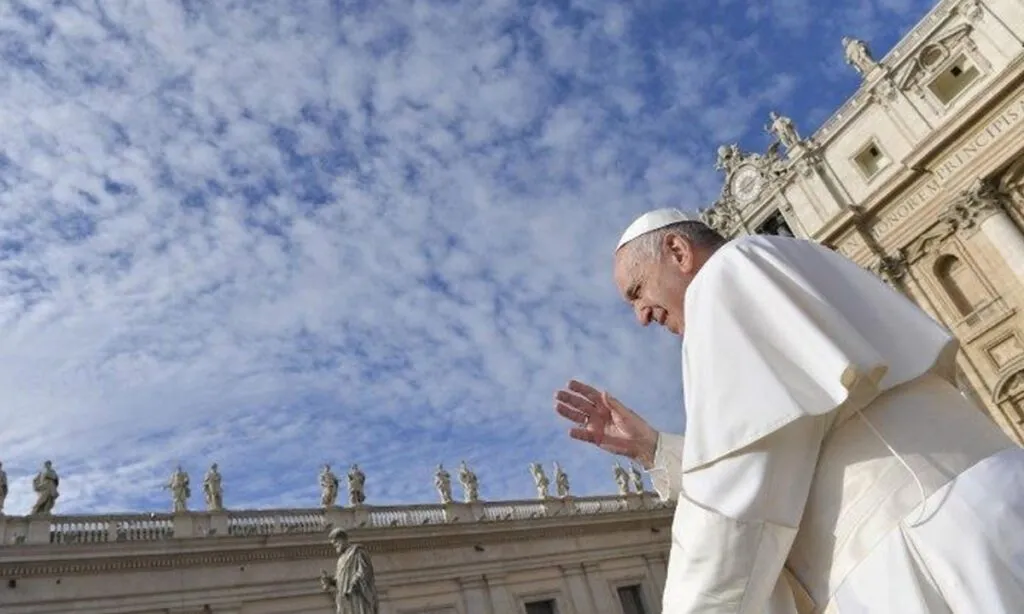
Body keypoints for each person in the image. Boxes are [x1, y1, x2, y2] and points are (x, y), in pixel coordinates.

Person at [554, 208, 1024, 613]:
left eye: (637, 291)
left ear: (678, 252)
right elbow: (797, 438)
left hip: (922, 544)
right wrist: (654, 449)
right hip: (964, 510)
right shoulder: (784, 261)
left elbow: (737, 495)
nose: (641, 315)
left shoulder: (724, 277)